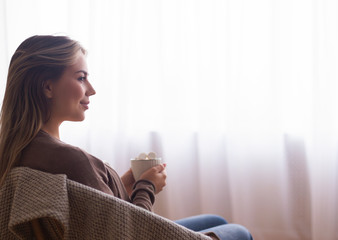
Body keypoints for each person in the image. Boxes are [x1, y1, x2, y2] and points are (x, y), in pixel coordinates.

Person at [0, 35, 252, 240]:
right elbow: (126, 231)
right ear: (47, 87)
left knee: (215, 222)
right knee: (238, 232)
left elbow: (90, 210)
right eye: (81, 78)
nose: (92, 89)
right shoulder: (71, 159)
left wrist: (126, 183)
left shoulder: (16, 151)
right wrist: (147, 187)